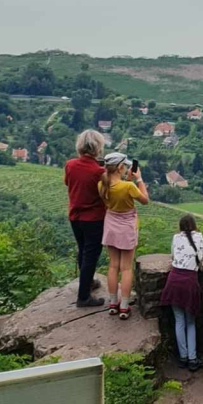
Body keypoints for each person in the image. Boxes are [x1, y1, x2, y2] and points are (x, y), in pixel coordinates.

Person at [98, 152, 149, 320]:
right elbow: (145, 200)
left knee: (113, 266)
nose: (127, 168)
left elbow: (115, 191)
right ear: (120, 167)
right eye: (125, 166)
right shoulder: (128, 187)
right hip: (127, 226)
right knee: (126, 268)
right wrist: (139, 180)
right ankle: (125, 306)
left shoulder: (101, 185)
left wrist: (127, 180)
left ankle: (113, 303)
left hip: (111, 224)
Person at [64, 129, 107, 308]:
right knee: (91, 255)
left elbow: (68, 182)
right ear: (98, 147)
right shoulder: (99, 171)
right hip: (94, 219)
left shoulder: (70, 165)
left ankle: (87, 283)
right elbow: (106, 193)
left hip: (75, 216)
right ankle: (83, 297)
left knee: (82, 251)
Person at [160, 214, 203, 371]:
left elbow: (173, 256)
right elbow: (201, 258)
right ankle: (193, 359)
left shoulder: (176, 238)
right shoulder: (199, 237)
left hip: (174, 280)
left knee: (179, 321)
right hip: (189, 281)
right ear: (194, 225)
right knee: (190, 321)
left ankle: (183, 357)